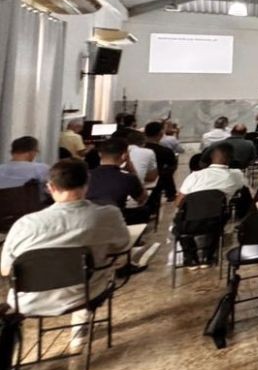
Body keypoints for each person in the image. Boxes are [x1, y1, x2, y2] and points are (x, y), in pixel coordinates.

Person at [1, 159, 129, 348]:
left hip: (27, 301)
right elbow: (122, 247)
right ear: (87, 183)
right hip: (84, 293)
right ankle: (80, 327)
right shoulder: (108, 214)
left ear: (50, 187)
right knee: (94, 269)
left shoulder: (24, 224)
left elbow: (5, 270)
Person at [174, 143, 246, 268]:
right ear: (230, 159)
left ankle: (190, 257)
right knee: (221, 215)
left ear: (211, 159)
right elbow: (240, 190)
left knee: (177, 223)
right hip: (216, 221)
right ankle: (208, 255)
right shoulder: (236, 175)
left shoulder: (194, 176)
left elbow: (178, 203)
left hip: (190, 223)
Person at [86, 137, 148, 224]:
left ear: (99, 154)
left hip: (87, 219)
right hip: (115, 220)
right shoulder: (128, 178)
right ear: (124, 156)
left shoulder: (85, 175)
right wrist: (133, 171)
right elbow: (142, 199)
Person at [144, 122, 179, 202]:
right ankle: (170, 193)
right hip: (156, 182)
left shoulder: (137, 149)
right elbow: (173, 166)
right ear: (161, 133)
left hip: (137, 180)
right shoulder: (165, 151)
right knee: (167, 171)